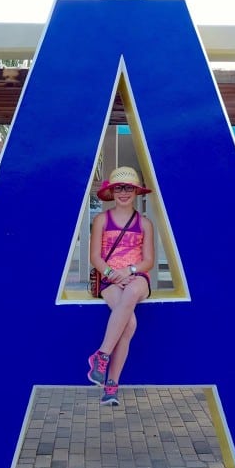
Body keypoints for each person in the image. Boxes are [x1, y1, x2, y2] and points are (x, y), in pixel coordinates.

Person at [87, 166, 155, 406]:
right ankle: (111, 386)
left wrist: (130, 271)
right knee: (130, 323)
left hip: (137, 277)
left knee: (135, 290)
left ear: (136, 192)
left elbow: (148, 260)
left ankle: (102, 354)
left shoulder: (145, 224)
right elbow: (95, 256)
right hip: (109, 279)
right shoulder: (101, 220)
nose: (123, 193)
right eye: (119, 188)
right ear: (111, 192)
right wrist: (113, 274)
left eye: (128, 188)